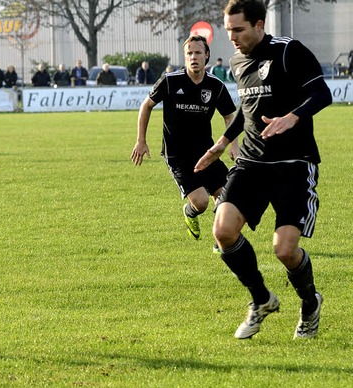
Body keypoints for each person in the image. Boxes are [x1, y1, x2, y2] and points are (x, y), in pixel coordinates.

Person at [194, 0, 332, 340]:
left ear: (259, 24)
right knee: (223, 232)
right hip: (252, 164)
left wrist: (293, 116)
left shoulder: (289, 52)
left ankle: (310, 302)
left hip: (293, 165)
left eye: (238, 30)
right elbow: (248, 107)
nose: (233, 38)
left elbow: (322, 93)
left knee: (284, 250)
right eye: (228, 31)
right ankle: (261, 299)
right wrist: (223, 142)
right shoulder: (239, 61)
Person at [131, 35, 237, 248]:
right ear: (185, 56)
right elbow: (146, 106)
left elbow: (229, 115)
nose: (193, 57)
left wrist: (233, 144)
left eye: (198, 53)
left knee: (227, 198)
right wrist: (141, 140)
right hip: (177, 154)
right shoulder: (170, 81)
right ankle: (190, 213)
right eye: (189, 53)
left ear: (207, 55)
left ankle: (221, 240)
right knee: (201, 202)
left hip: (206, 152)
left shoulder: (215, 86)